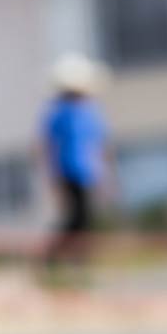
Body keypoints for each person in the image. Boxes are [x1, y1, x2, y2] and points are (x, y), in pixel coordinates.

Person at [41, 54, 111, 267]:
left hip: (86, 172)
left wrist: (103, 175)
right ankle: (56, 259)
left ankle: (77, 261)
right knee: (75, 218)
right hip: (68, 172)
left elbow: (98, 146)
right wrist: (53, 177)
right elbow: (49, 146)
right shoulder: (60, 112)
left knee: (84, 219)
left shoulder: (89, 111)